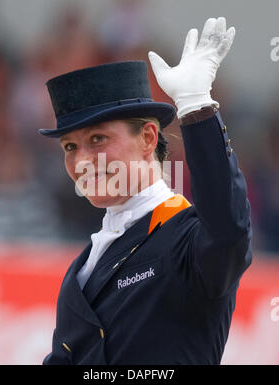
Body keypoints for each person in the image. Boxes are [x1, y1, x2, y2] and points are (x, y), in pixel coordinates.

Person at [41, 17, 252, 365]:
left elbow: (230, 230)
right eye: (70, 147)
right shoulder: (82, 268)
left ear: (149, 138)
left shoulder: (187, 238)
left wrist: (197, 107)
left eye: (98, 139)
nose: (82, 161)